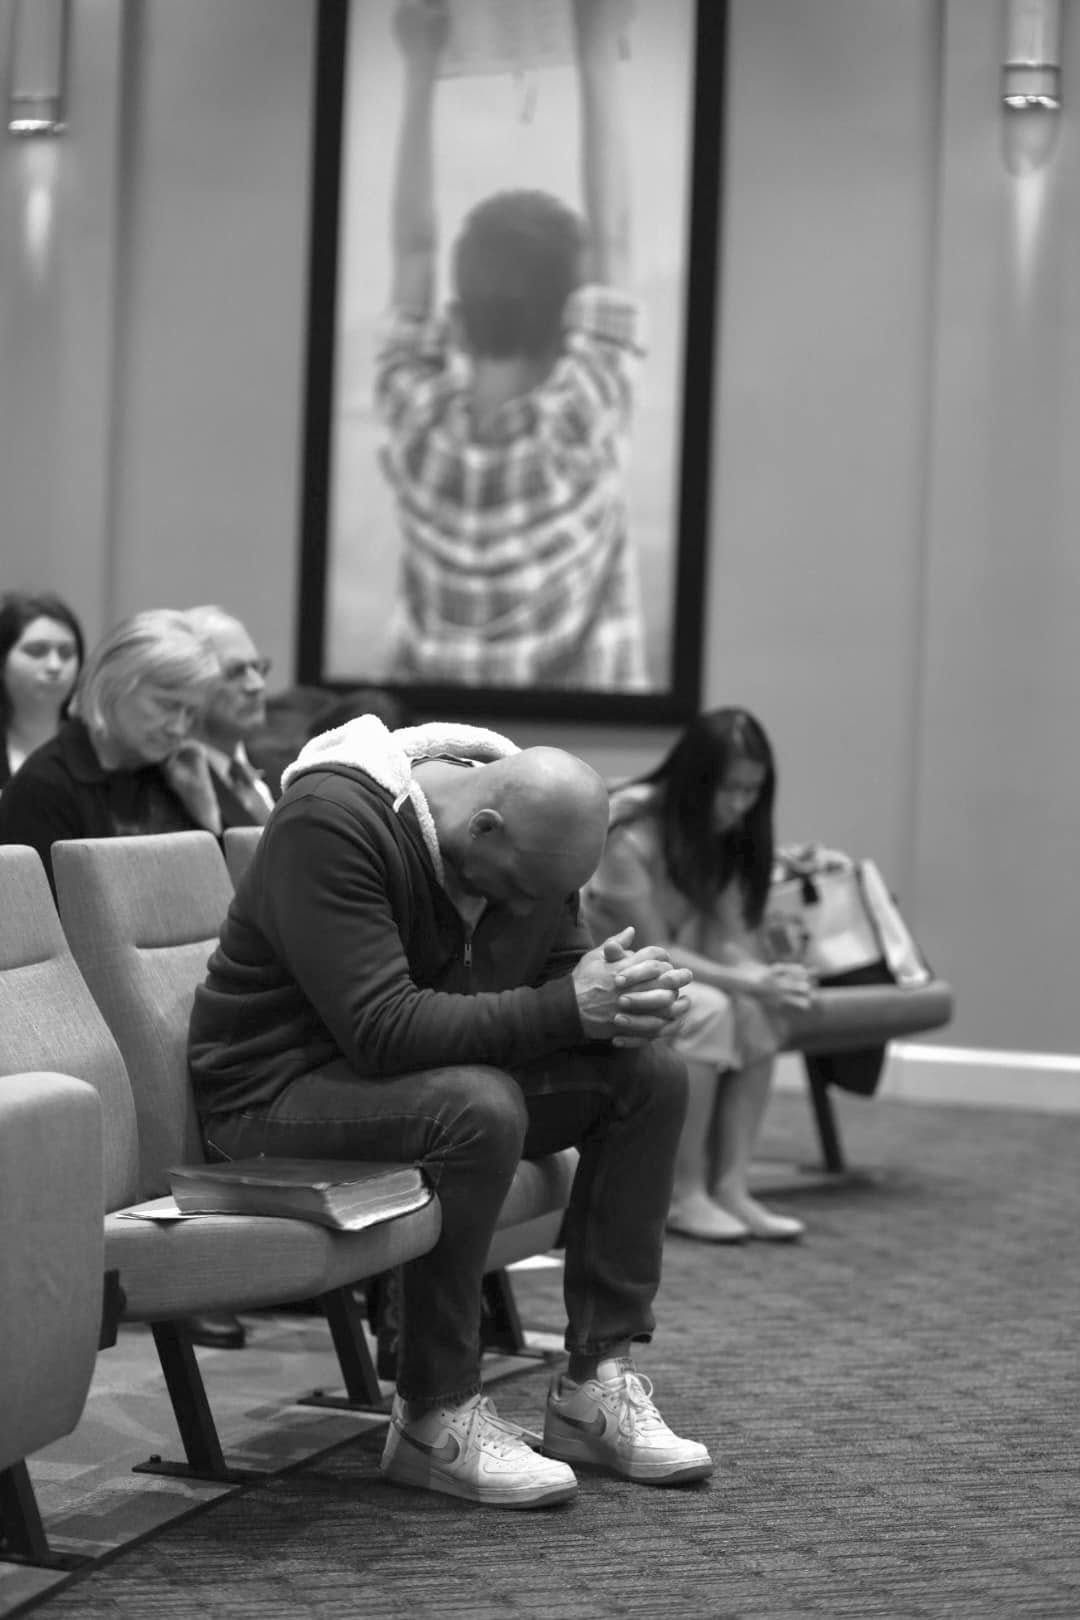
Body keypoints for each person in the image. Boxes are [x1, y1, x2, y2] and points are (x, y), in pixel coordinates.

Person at [188, 715, 714, 1508]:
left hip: (422, 1083)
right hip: (273, 1097)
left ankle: (594, 1389)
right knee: (478, 1107)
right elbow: (382, 1029)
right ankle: (432, 1416)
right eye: (523, 889)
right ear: (485, 826)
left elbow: (562, 973)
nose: (528, 906)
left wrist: (623, 1003)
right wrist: (570, 1009)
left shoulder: (528, 838)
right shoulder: (331, 822)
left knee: (649, 1076)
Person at [375, 0, 647, 691]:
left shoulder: (418, 428)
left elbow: (412, 250)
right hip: (576, 761)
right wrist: (598, 46)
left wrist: (418, 65)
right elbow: (611, 238)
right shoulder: (579, 423)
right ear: (570, 331)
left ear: (457, 323)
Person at [582, 708, 815, 1245]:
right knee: (708, 1007)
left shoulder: (723, 833)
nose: (740, 804)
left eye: (752, 790)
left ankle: (731, 1187)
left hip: (672, 965)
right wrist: (746, 980)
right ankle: (685, 1195)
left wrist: (766, 976)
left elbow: (730, 934)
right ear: (696, 781)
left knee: (758, 1007)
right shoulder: (629, 832)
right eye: (730, 789)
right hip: (613, 969)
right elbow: (654, 946)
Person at [183, 604, 276, 821]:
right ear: (187, 680)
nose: (257, 685)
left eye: (258, 667)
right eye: (236, 672)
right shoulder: (169, 786)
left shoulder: (288, 774)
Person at [0, 591, 84, 792]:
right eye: (37, 651)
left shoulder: (96, 745)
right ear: (2, 661)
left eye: (66, 653)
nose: (55, 666)